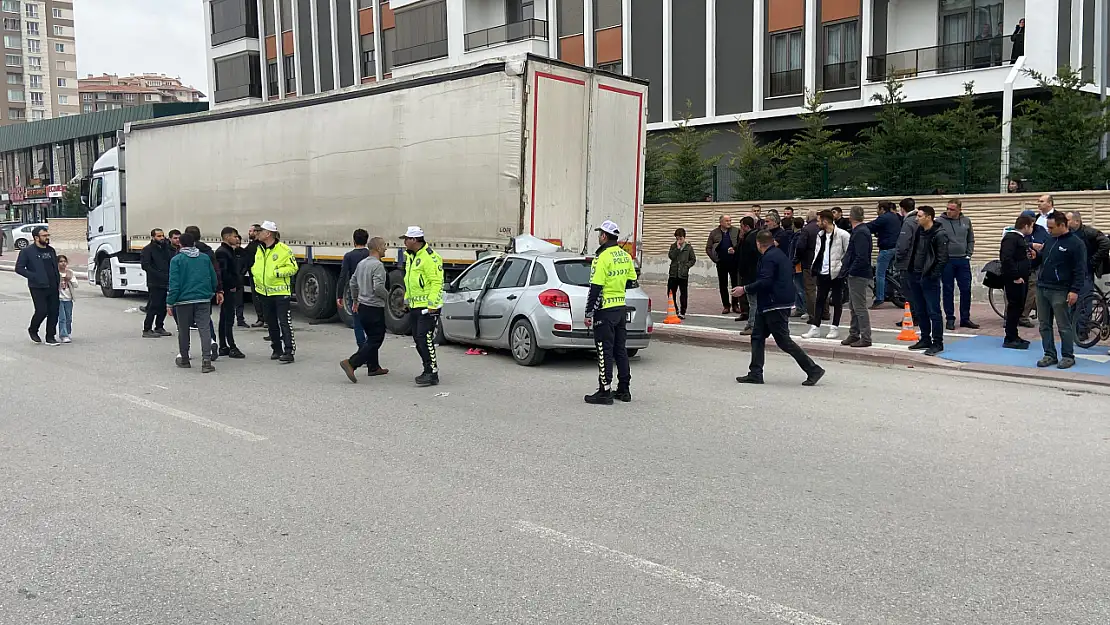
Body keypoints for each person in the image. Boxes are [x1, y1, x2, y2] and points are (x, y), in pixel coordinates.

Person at [733, 231, 825, 386]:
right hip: (773, 303)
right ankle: (755, 373)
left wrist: (745, 289)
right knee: (757, 336)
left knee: (783, 341)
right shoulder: (779, 255)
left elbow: (765, 281)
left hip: (774, 304)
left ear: (758, 244)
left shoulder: (769, 258)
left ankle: (813, 369)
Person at [584, 220, 635, 404]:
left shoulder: (602, 258)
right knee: (620, 350)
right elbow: (631, 281)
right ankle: (624, 390)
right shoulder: (625, 256)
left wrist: (589, 312)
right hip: (620, 308)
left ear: (604, 236)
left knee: (603, 350)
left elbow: (595, 287)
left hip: (605, 310)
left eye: (599, 234)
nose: (599, 237)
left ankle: (604, 391)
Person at [1035, 212, 1087, 369]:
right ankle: (1049, 354)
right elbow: (1043, 260)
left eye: (1051, 228)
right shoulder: (1050, 240)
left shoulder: (1076, 244)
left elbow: (1080, 269)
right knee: (1044, 324)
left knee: (1063, 325)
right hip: (1042, 286)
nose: (1048, 230)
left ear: (1062, 225)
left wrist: (1074, 290)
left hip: (1061, 289)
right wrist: (1035, 256)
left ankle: (1068, 355)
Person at [167, 232, 220, 372]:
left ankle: (184, 358)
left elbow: (174, 284)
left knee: (184, 330)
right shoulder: (204, 258)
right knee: (205, 329)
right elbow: (213, 277)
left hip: (183, 300)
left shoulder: (176, 260)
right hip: (203, 298)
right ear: (194, 243)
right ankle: (207, 361)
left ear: (180, 243)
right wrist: (213, 291)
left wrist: (169, 302)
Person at [340, 236, 391, 381]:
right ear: (378, 248)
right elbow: (378, 287)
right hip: (374, 307)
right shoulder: (378, 266)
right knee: (376, 338)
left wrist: (356, 300)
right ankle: (351, 363)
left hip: (363, 307)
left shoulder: (362, 264)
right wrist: (388, 299)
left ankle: (373, 367)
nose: (386, 248)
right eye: (384, 245)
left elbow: (352, 283)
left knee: (370, 337)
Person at [401, 226, 444, 386]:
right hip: (415, 305)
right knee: (418, 339)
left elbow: (436, 282)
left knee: (424, 338)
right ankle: (427, 369)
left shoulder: (430, 258)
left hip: (428, 307)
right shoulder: (411, 257)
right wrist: (406, 300)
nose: (404, 242)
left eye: (406, 238)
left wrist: (433, 304)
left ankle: (432, 372)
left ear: (414, 240)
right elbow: (410, 281)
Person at [251, 221, 299, 363]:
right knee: (271, 322)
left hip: (280, 292)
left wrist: (276, 273)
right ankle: (276, 349)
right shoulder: (259, 248)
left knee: (284, 321)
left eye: (261, 231)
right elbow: (257, 266)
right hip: (264, 292)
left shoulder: (283, 249)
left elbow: (293, 268)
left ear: (268, 233)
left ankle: (289, 351)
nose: (257, 233)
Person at [905, 206, 950, 356]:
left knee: (933, 311)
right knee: (920, 309)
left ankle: (938, 342)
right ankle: (925, 338)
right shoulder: (919, 231)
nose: (917, 219)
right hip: (915, 275)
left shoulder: (939, 234)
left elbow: (942, 258)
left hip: (929, 277)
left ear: (929, 217)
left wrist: (932, 275)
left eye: (919, 216)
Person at [801, 210, 850, 340]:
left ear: (825, 221)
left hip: (836, 272)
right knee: (820, 299)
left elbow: (848, 252)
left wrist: (841, 267)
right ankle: (815, 327)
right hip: (822, 271)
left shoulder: (842, 235)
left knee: (837, 300)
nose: (817, 223)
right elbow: (818, 252)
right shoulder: (820, 235)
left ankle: (835, 327)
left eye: (818, 220)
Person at [937, 198, 979, 330]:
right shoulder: (939, 221)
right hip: (947, 260)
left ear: (959, 210)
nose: (949, 211)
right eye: (947, 208)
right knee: (948, 290)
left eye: (952, 209)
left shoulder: (966, 221)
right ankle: (950, 318)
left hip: (963, 260)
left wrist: (968, 254)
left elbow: (970, 239)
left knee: (966, 289)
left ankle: (965, 318)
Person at [15, 226, 60, 345]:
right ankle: (33, 329)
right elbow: (19, 268)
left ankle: (50, 336)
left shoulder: (51, 250)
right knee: (42, 311)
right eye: (44, 236)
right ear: (36, 238)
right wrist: (34, 276)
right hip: (37, 287)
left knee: (54, 311)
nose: (47, 238)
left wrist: (59, 280)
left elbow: (54, 267)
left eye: (47, 235)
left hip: (53, 285)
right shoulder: (27, 252)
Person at [185, 225, 223, 361]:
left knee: (184, 323)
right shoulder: (208, 251)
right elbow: (215, 271)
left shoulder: (182, 253)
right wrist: (218, 289)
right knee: (205, 319)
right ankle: (211, 341)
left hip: (186, 293)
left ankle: (185, 352)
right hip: (205, 291)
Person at [839, 206, 873, 348]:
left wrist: (851, 271)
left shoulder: (860, 233)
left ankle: (865, 337)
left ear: (850, 217)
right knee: (854, 305)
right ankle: (854, 333)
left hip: (858, 274)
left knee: (859, 307)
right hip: (858, 273)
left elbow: (860, 256)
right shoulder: (861, 231)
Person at [1000, 214, 1034, 349]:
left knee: (1018, 306)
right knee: (1014, 306)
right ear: (1025, 226)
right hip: (1014, 279)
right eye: (1031, 226)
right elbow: (1006, 258)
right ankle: (1010, 337)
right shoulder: (1011, 238)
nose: (1032, 229)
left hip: (1021, 278)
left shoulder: (1020, 239)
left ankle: (1014, 334)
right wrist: (1015, 276)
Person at [337, 228, 371, 348]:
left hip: (355, 291)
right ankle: (369, 347)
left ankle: (362, 348)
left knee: (358, 323)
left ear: (353, 241)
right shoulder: (370, 254)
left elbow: (343, 276)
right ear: (366, 241)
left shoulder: (349, 256)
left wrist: (339, 296)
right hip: (369, 292)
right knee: (369, 322)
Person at [215, 227, 246, 359]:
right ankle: (230, 345)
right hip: (228, 289)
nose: (237, 239)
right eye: (234, 236)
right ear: (227, 237)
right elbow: (223, 272)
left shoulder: (229, 251)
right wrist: (231, 285)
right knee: (228, 318)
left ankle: (223, 345)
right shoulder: (223, 252)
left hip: (230, 288)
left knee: (225, 317)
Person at [865, 200, 902, 308]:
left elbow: (871, 226)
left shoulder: (884, 217)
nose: (877, 211)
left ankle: (879, 298)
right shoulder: (895, 217)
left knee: (879, 274)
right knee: (888, 273)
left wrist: (857, 226)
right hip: (896, 248)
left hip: (887, 249)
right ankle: (887, 293)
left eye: (877, 209)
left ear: (882, 209)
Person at [140, 228, 174, 338]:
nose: (162, 238)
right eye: (159, 236)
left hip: (166, 281)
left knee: (163, 306)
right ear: (153, 237)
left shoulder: (165, 249)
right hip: (154, 282)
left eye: (162, 236)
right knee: (153, 306)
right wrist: (159, 274)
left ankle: (159, 326)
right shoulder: (148, 250)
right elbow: (146, 266)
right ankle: (147, 328)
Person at [1022, 205, 1051, 326]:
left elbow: (1048, 243)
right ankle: (1010, 317)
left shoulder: (1040, 230)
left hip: (1035, 266)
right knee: (1013, 292)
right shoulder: (1016, 230)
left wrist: (1040, 250)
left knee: (1032, 291)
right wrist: (1030, 245)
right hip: (1019, 266)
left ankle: (1023, 316)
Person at [706, 215, 741, 314]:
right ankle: (726, 305)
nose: (729, 222)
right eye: (727, 221)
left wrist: (735, 250)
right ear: (721, 222)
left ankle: (735, 305)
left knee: (735, 284)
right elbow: (708, 248)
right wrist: (715, 259)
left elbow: (741, 244)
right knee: (723, 285)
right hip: (721, 262)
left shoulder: (736, 231)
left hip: (734, 262)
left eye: (730, 220)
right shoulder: (714, 233)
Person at [893, 197, 920, 326]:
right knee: (916, 291)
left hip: (907, 262)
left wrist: (898, 256)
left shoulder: (908, 222)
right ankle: (918, 316)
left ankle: (912, 317)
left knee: (909, 292)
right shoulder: (919, 219)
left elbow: (903, 244)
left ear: (902, 209)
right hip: (918, 261)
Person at [795, 209, 822, 323]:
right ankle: (824, 312)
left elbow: (801, 246)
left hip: (808, 262)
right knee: (821, 287)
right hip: (822, 262)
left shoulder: (806, 230)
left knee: (810, 289)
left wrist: (797, 259)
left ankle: (813, 314)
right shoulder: (822, 228)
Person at [737, 216, 760, 332]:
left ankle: (752, 324)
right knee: (754, 301)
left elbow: (746, 259)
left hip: (750, 274)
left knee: (753, 301)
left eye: (741, 227)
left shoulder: (749, 239)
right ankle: (753, 323)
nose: (740, 229)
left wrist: (742, 272)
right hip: (753, 273)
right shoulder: (754, 236)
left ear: (746, 226)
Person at [667, 228, 695, 318]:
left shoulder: (688, 247)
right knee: (671, 292)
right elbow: (671, 256)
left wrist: (687, 266)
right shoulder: (673, 246)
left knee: (683, 293)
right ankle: (675, 309)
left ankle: (683, 311)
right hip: (673, 273)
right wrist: (677, 249)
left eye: (681, 238)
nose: (679, 240)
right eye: (677, 238)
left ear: (684, 237)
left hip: (683, 274)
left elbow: (693, 259)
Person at [243, 224, 266, 328]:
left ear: (257, 232)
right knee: (256, 298)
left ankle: (266, 319)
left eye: (251, 231)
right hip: (253, 274)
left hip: (261, 276)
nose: (249, 233)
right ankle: (260, 318)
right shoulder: (251, 245)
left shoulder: (261, 245)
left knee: (263, 298)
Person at [57, 254, 76, 343]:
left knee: (69, 317)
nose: (63, 263)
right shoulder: (55, 273)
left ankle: (67, 332)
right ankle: (63, 335)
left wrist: (69, 279)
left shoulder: (70, 273)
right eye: (60, 261)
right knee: (62, 318)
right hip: (59, 299)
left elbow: (76, 285)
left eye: (64, 261)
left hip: (68, 298)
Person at [789, 217, 807, 316]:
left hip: (798, 265)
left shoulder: (798, 236)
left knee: (800, 288)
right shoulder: (798, 235)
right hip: (797, 264)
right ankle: (800, 307)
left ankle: (803, 308)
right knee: (798, 287)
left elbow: (797, 251)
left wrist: (793, 262)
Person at [232, 233, 249, 328]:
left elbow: (246, 264)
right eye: (236, 243)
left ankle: (240, 319)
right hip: (230, 279)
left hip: (239, 279)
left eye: (239, 243)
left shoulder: (243, 252)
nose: (237, 245)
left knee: (239, 301)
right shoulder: (228, 252)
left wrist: (242, 273)